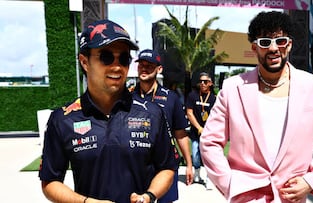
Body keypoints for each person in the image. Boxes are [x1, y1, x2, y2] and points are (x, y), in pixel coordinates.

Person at [199, 11, 313, 203]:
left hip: (291, 196)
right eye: (265, 42)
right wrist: (230, 184)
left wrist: (311, 180)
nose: (274, 48)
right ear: (255, 47)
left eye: (280, 41)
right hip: (246, 197)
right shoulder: (232, 88)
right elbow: (209, 142)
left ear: (289, 44)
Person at [39, 19, 177, 203]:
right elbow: (50, 181)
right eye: (106, 57)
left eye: (124, 58)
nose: (117, 66)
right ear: (84, 62)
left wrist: (149, 196)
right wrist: (85, 202)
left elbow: (167, 168)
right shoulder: (63, 119)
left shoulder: (152, 113)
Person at [133, 49, 194, 203]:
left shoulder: (171, 98)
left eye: (149, 65)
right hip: (137, 165)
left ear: (159, 69)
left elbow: (180, 133)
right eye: (141, 65)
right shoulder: (127, 97)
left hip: (165, 166)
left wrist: (189, 163)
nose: (144, 68)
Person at [185, 72, 216, 188]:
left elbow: (216, 116)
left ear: (210, 84)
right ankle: (197, 173)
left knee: (209, 156)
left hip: (209, 133)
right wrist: (198, 128)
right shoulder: (192, 96)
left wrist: (208, 130)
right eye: (201, 81)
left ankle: (209, 178)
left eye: (206, 82)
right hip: (195, 132)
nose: (203, 84)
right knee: (196, 154)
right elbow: (189, 113)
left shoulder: (214, 98)